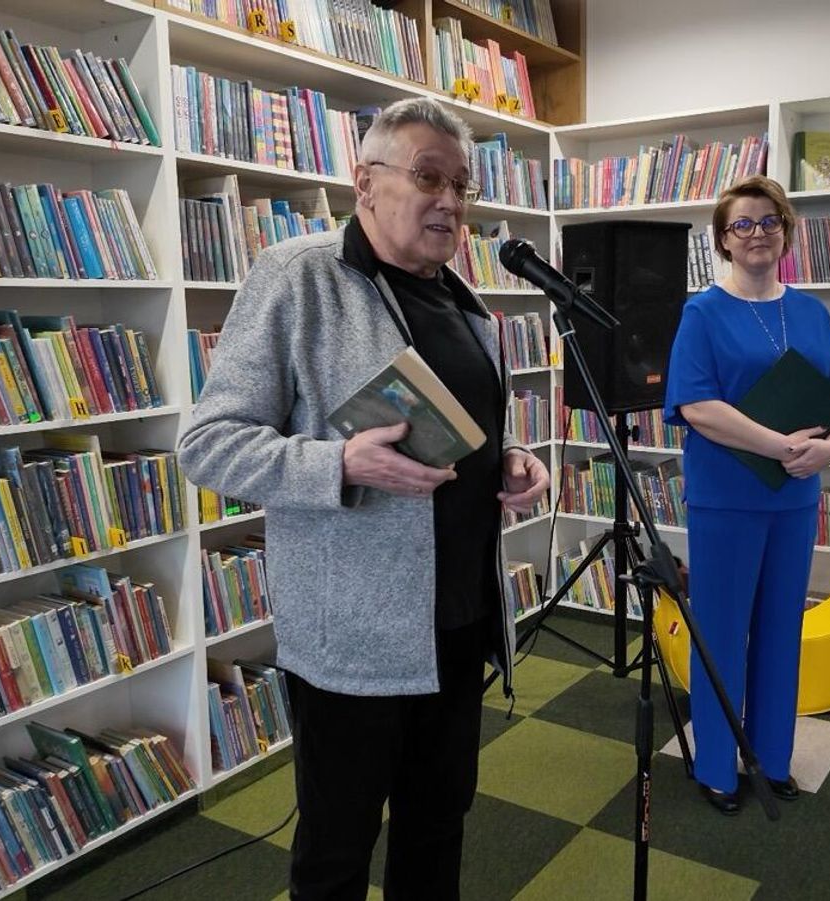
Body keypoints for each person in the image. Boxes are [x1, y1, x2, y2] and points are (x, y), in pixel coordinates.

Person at [177, 97, 550, 899]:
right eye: (428, 177)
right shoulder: (299, 276)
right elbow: (207, 445)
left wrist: (512, 458)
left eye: (461, 185)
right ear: (366, 183)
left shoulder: (466, 301)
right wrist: (340, 463)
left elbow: (468, 430)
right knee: (337, 853)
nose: (450, 201)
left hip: (457, 624)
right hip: (352, 638)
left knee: (437, 830)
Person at [662, 175, 830, 816]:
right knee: (721, 632)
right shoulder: (702, 313)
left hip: (795, 497)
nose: (757, 233)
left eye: (770, 221)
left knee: (779, 631)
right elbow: (697, 405)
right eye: (741, 224)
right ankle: (717, 764)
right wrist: (781, 446)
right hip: (727, 499)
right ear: (723, 240)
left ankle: (771, 757)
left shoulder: (813, 311)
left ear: (786, 231)